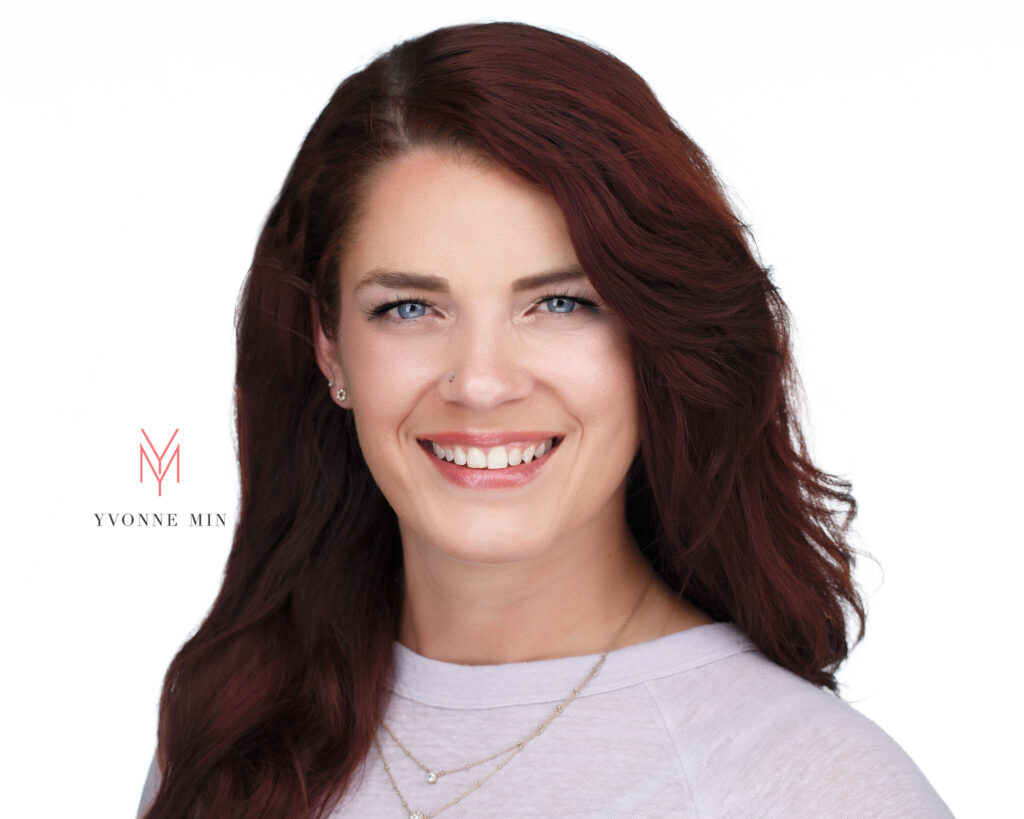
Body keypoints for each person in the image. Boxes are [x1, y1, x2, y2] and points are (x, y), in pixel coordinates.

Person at [137, 21, 952, 818]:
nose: (481, 382)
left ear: (651, 336)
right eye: (410, 307)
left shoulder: (817, 785)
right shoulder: (232, 733)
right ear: (329, 345)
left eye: (560, 302)